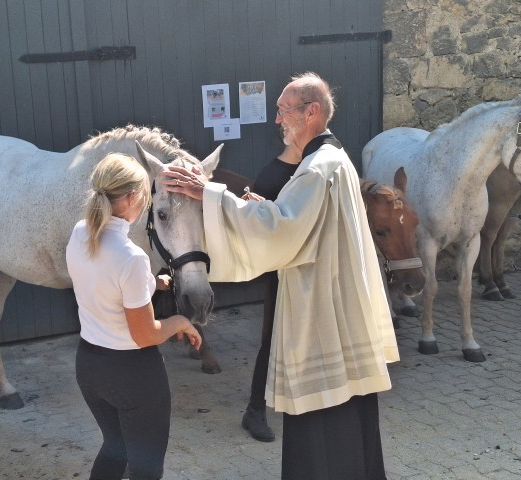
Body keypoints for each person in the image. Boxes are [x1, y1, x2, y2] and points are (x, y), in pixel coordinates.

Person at [163, 72, 399, 480]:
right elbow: (297, 222)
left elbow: (282, 230)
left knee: (324, 407)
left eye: (283, 111)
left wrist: (210, 194)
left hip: (321, 308)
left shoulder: (316, 168)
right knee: (349, 404)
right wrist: (257, 210)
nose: (277, 120)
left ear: (311, 112)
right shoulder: (333, 158)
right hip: (339, 299)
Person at [66, 152, 202, 480]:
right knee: (146, 466)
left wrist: (151, 283)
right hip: (132, 374)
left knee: (116, 447)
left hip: (89, 366)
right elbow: (146, 334)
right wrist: (179, 322)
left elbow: (101, 280)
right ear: (131, 198)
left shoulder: (80, 233)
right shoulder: (132, 258)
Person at [241, 138, 303, 442]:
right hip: (286, 270)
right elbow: (260, 224)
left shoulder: (318, 166)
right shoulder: (275, 173)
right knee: (274, 338)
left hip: (315, 268)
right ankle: (255, 410)